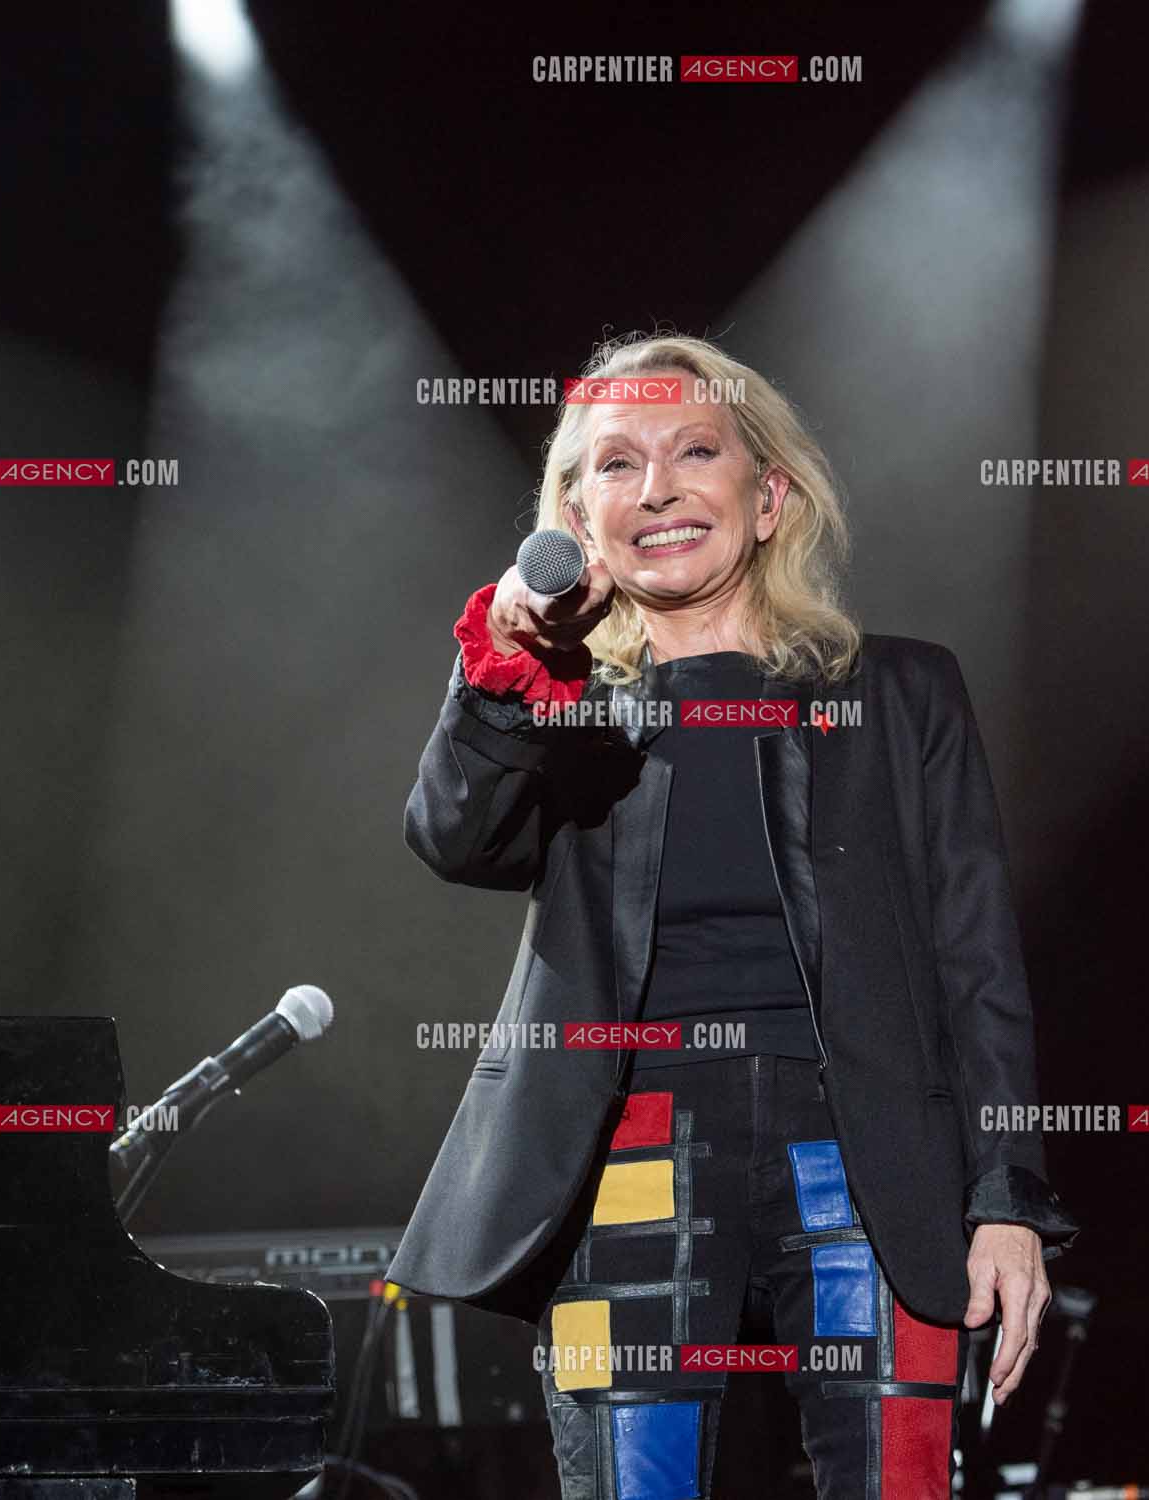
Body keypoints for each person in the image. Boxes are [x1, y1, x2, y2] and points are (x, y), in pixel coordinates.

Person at [388, 332, 1076, 1500]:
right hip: (627, 1155)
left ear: (767, 499)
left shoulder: (902, 694)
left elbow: (978, 964)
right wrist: (511, 662)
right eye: (614, 465)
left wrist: (1006, 1201)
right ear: (579, 520)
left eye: (693, 450)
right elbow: (454, 835)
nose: (655, 487)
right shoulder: (564, 716)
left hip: (868, 1159)